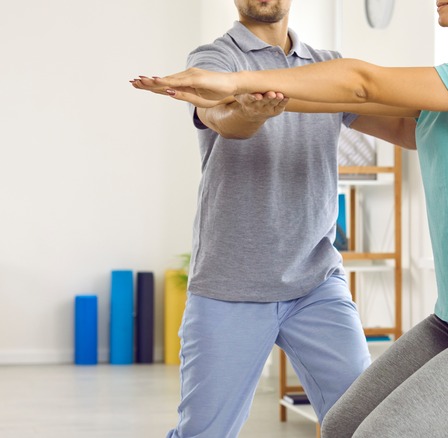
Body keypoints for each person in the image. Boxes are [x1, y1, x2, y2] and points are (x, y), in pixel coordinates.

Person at [133, 0, 448, 436]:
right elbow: (251, 113)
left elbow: (362, 85)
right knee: (342, 426)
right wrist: (240, 102)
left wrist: (235, 82)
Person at [129, 1, 422, 436]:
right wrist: (247, 113)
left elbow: (403, 131)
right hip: (230, 286)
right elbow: (222, 119)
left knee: (363, 424)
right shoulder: (216, 58)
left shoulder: (327, 67)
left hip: (317, 283)